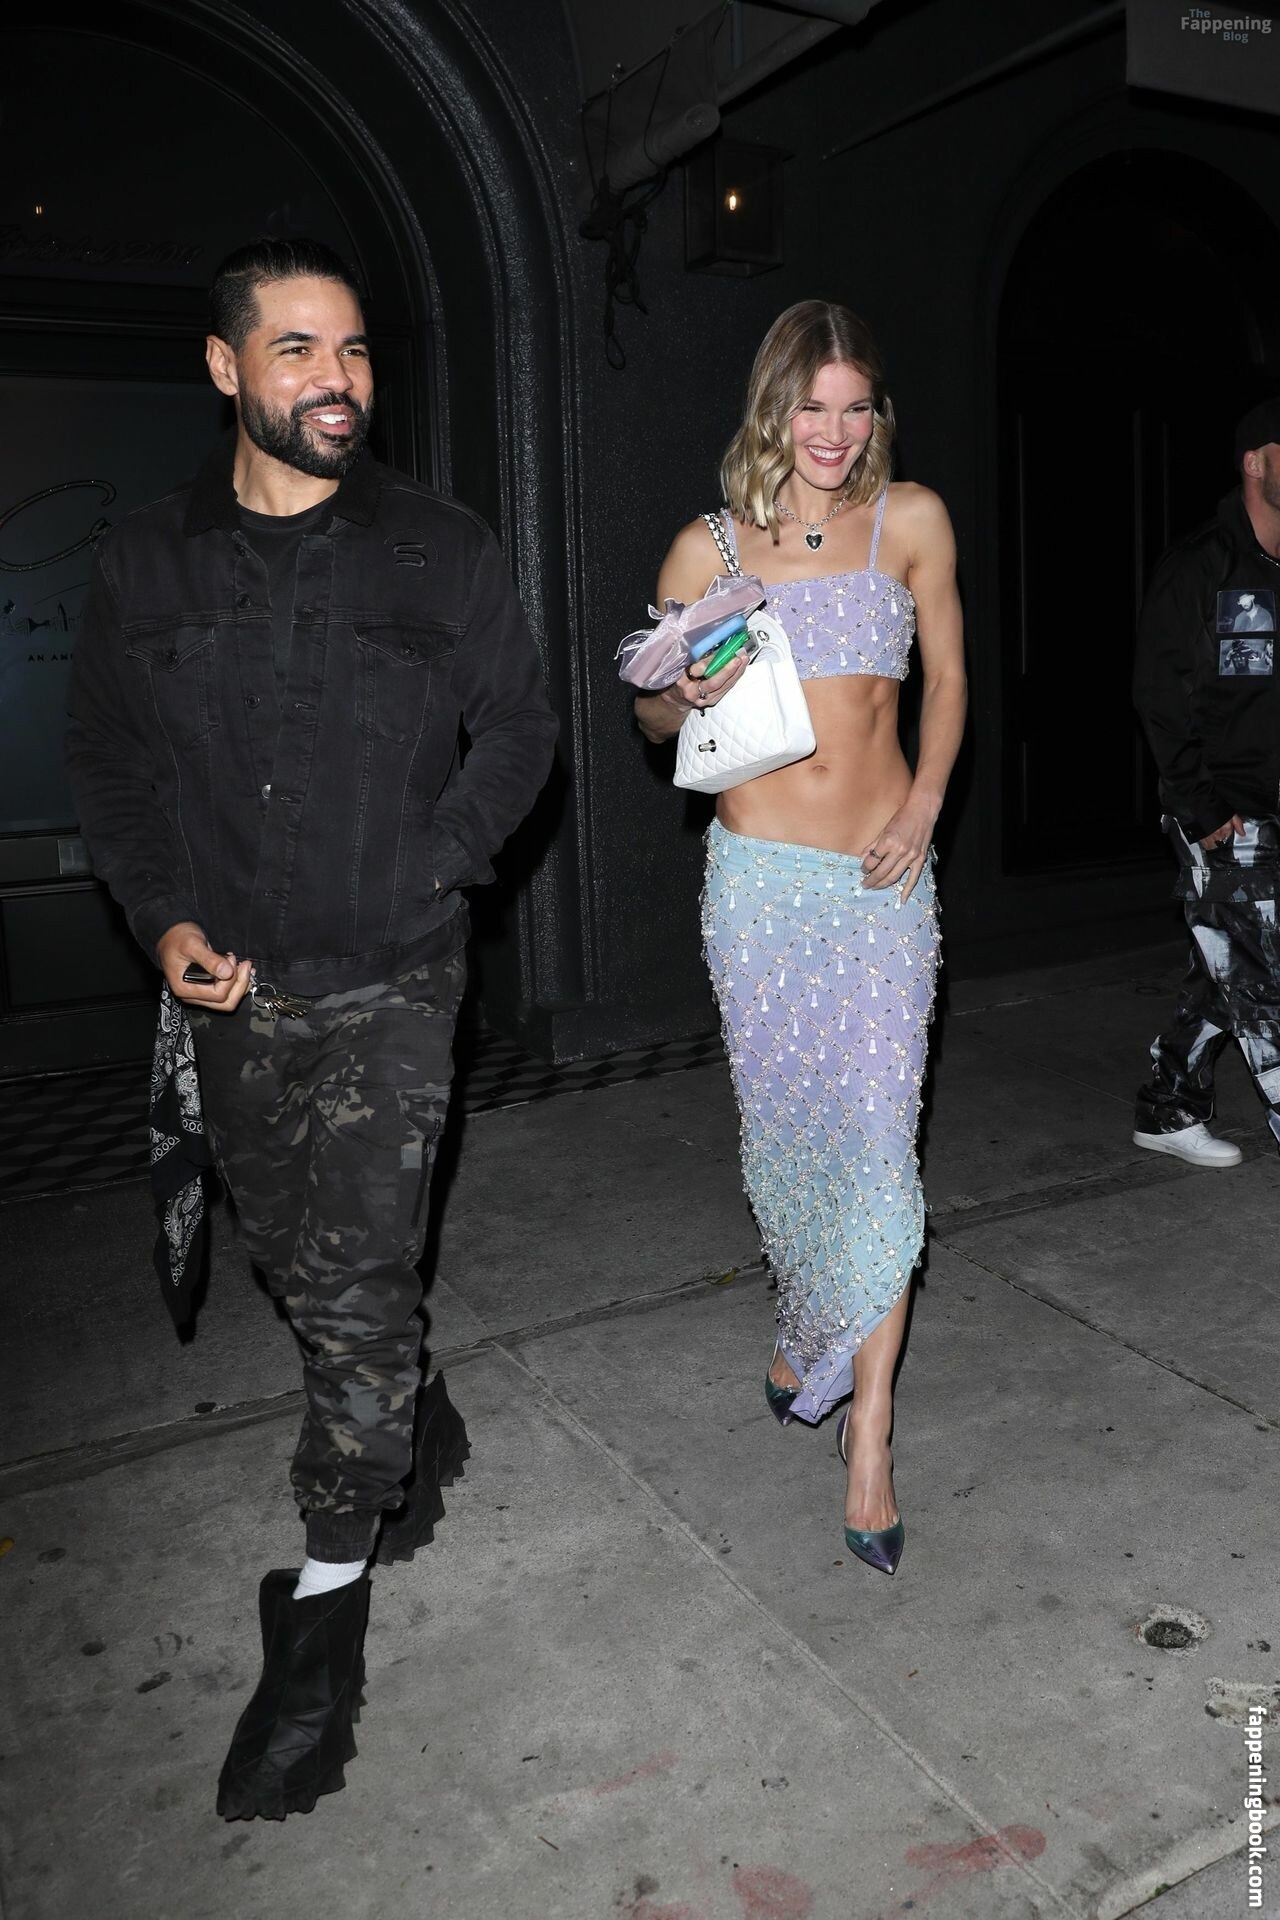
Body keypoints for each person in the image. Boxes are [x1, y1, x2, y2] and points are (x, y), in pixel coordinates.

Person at [66, 236, 557, 1817]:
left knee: (350, 1289)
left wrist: (437, 858)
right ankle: (407, 1390)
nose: (338, 379)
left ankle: (322, 1627)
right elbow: (110, 761)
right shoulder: (146, 565)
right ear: (226, 368)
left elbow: (522, 725)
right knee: (303, 1257)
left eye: (352, 350)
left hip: (399, 973)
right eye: (298, 349)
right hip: (234, 985)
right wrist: (163, 920)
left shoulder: (439, 548)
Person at [636, 301, 965, 1575]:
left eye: (854, 406)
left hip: (882, 887)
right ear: (771, 409)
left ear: (876, 414)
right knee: (792, 1154)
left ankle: (868, 1432)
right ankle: (806, 1320)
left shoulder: (910, 522)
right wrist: (681, 690)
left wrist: (925, 805)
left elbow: (948, 684)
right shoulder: (707, 546)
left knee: (879, 1155)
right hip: (758, 893)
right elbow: (653, 721)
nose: (832, 431)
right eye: (809, 406)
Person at [1132, 398, 1280, 1168]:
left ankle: (1169, 1107)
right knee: (1265, 981)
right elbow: (1160, 692)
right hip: (1227, 816)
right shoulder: (1201, 565)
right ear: (1255, 462)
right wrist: (1200, 803)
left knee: (1226, 971)